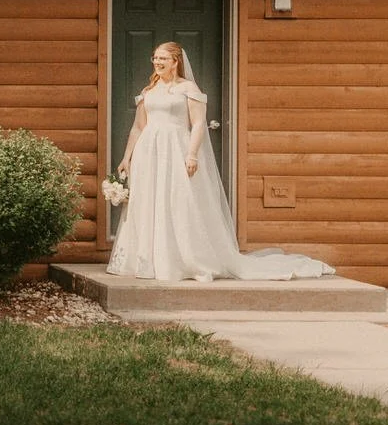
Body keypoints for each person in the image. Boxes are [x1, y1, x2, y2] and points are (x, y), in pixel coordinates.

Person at [107, 41, 333, 282]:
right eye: (155, 58)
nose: (157, 62)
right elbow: (138, 127)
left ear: (175, 62)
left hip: (176, 149)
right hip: (149, 151)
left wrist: (192, 154)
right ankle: (145, 259)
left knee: (177, 200)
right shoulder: (148, 91)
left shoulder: (188, 88)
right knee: (149, 200)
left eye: (163, 58)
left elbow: (197, 124)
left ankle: (179, 259)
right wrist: (127, 156)